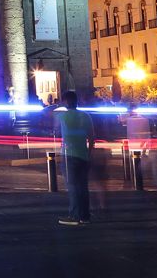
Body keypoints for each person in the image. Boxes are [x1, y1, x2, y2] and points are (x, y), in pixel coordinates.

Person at [56, 90, 95, 225]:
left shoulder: (62, 116)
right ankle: (85, 216)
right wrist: (88, 153)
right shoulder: (86, 116)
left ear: (66, 102)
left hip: (69, 155)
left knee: (72, 186)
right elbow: (92, 138)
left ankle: (74, 215)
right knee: (83, 187)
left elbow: (49, 122)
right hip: (83, 155)